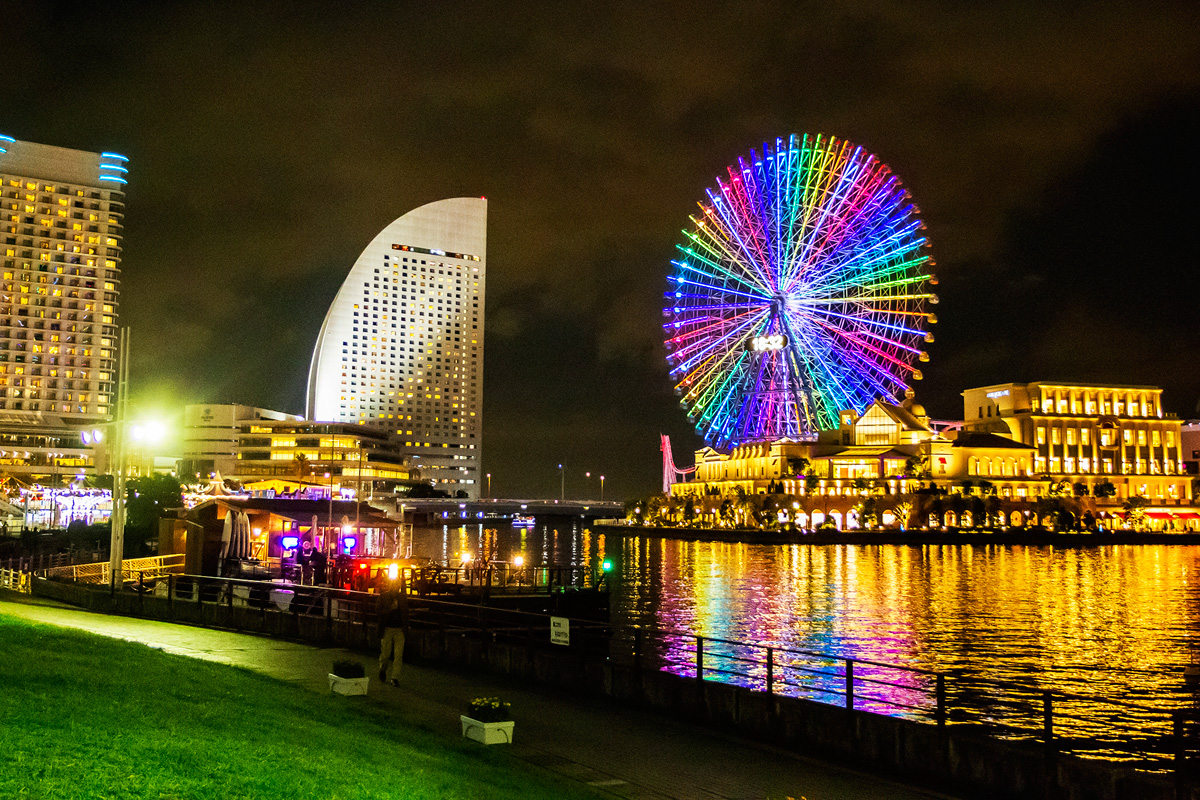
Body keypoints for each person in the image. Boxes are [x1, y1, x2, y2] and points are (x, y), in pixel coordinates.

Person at [377, 591, 409, 686]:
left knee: (398, 654)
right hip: (387, 628)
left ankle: (395, 678)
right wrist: (389, 609)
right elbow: (378, 611)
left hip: (399, 629)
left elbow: (406, 612)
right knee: (386, 653)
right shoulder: (384, 597)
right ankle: (383, 668)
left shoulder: (402, 597)